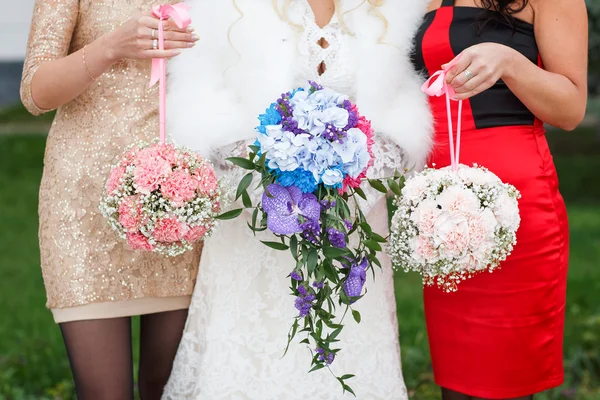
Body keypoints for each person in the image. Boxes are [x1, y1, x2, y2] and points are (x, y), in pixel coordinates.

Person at [161, 0, 432, 398]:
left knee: (343, 351)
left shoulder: (387, 9)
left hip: (350, 220)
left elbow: (401, 105)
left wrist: (354, 175)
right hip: (255, 220)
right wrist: (269, 179)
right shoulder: (224, 7)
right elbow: (200, 101)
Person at [20, 1, 200, 398]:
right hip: (84, 205)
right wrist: (111, 46)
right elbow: (35, 93)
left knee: (172, 388)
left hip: (186, 203)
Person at [411, 0, 587, 399]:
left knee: (505, 381)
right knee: (457, 383)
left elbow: (572, 109)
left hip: (516, 204)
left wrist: (509, 61)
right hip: (440, 212)